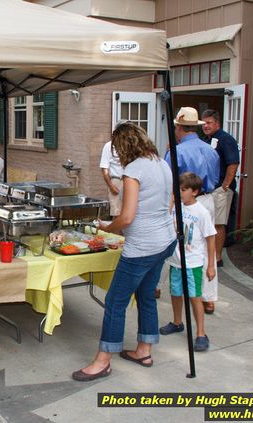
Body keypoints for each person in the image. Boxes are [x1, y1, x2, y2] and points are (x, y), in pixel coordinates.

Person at [72, 122, 176, 381]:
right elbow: (169, 201)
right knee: (146, 296)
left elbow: (127, 217)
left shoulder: (134, 169)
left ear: (123, 146)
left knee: (115, 302)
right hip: (165, 241)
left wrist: (108, 226)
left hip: (143, 247)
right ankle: (144, 350)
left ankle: (103, 361)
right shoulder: (161, 163)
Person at [164, 107, 220, 315]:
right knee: (207, 246)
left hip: (184, 202)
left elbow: (170, 183)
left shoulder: (176, 152)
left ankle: (162, 286)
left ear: (179, 127)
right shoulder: (210, 149)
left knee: (179, 244)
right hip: (207, 199)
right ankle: (209, 297)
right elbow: (216, 176)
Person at [159, 172, 216, 352]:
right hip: (176, 261)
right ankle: (177, 322)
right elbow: (165, 217)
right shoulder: (177, 206)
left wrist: (211, 265)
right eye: (179, 189)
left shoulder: (201, 212)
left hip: (193, 263)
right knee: (176, 292)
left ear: (195, 192)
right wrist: (173, 199)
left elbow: (211, 238)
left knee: (194, 297)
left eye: (184, 190)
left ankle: (201, 332)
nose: (181, 193)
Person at [201, 109, 240, 268]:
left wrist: (225, 186)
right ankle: (207, 255)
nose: (206, 126)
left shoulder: (226, 139)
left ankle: (217, 257)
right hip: (208, 189)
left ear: (217, 123)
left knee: (218, 223)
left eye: (209, 123)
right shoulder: (206, 139)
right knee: (208, 222)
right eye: (203, 123)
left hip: (220, 189)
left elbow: (233, 163)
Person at [99, 138, 124, 219]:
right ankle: (116, 231)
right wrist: (111, 186)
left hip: (130, 180)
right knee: (117, 213)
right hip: (116, 180)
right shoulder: (108, 146)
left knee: (128, 212)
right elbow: (104, 168)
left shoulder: (131, 145)